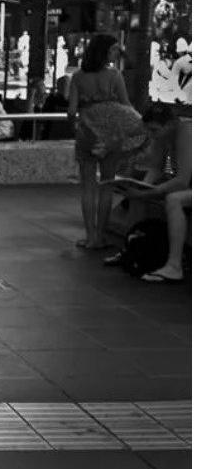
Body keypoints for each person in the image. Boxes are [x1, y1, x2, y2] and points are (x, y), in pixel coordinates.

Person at [68, 33, 147, 249]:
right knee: (107, 184)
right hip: (111, 137)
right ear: (103, 51)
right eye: (113, 49)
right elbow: (126, 104)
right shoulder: (114, 76)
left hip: (86, 134)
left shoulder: (77, 77)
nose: (115, 53)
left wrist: (87, 108)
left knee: (87, 187)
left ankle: (90, 236)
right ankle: (101, 236)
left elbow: (71, 110)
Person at [110, 106, 191, 282]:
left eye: (154, 130)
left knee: (174, 200)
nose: (151, 135)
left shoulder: (187, 132)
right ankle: (131, 248)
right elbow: (155, 168)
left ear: (170, 124)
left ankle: (174, 265)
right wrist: (142, 188)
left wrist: (150, 192)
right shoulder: (163, 134)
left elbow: (183, 180)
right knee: (138, 194)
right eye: (148, 130)